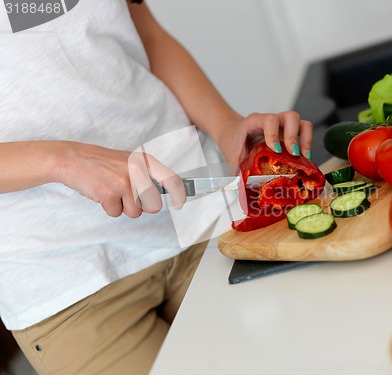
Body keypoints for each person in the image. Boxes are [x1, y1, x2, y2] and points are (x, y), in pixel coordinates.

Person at [0, 0, 314, 374]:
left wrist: (225, 125)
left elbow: (146, 36)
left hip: (198, 222)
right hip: (68, 278)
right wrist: (64, 159)